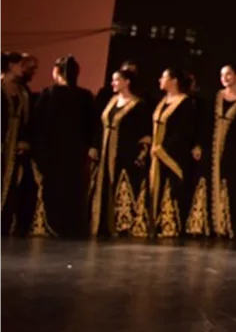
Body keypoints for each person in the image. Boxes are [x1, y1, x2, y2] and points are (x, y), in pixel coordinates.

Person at [191, 65, 236, 238]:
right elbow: (204, 123)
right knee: (206, 180)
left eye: (228, 74)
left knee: (230, 184)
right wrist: (199, 144)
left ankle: (225, 225)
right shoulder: (214, 97)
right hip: (211, 148)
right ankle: (203, 225)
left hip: (232, 150)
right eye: (222, 75)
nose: (225, 78)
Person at [30, 55, 94, 237]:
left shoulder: (49, 95)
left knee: (54, 188)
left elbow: (39, 124)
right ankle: (71, 226)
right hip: (75, 154)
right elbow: (90, 127)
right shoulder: (85, 96)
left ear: (57, 72)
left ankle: (52, 225)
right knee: (72, 190)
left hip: (52, 152)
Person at [132, 68, 197, 238]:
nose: (160, 79)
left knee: (170, 188)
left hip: (172, 156)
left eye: (164, 77)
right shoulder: (162, 102)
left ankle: (168, 224)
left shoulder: (185, 103)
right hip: (156, 155)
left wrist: (163, 148)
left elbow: (184, 131)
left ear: (174, 81)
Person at [88, 67, 152, 237]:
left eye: (116, 80)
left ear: (127, 82)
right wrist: (95, 146)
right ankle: (99, 224)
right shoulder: (111, 101)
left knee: (121, 187)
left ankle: (119, 225)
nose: (113, 83)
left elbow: (144, 133)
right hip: (105, 153)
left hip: (125, 155)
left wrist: (139, 154)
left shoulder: (138, 105)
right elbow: (100, 127)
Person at [0, 52, 32, 233]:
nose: (23, 69)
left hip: (14, 146)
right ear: (11, 66)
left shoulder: (22, 92)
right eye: (20, 65)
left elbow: (26, 119)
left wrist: (22, 140)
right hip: (2, 142)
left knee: (12, 182)